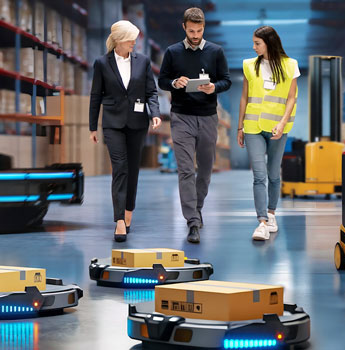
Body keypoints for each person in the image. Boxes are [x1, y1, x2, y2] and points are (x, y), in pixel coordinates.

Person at [157, 7, 230, 243]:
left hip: (208, 117)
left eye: (199, 31)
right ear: (184, 28)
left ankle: (197, 209)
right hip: (182, 117)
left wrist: (214, 87)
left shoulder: (216, 52)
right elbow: (162, 80)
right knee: (186, 170)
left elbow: (226, 80)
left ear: (203, 28)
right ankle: (192, 222)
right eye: (191, 31)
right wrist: (175, 83)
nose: (195, 35)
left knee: (205, 170)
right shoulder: (172, 52)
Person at [88, 20, 160, 243]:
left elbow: (151, 92)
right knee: (120, 168)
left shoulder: (143, 61)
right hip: (113, 123)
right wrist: (93, 126)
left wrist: (155, 113)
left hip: (137, 123)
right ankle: (119, 219)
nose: (134, 42)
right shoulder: (102, 63)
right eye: (131, 39)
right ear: (119, 39)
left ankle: (129, 210)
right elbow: (95, 96)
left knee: (133, 169)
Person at [237, 26, 300, 241]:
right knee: (259, 175)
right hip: (253, 126)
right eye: (254, 43)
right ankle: (262, 222)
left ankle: (272, 214)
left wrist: (282, 123)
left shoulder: (290, 65)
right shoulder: (248, 65)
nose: (254, 47)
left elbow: (291, 98)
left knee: (274, 175)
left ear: (269, 43)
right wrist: (239, 127)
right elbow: (244, 97)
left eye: (257, 43)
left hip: (277, 128)